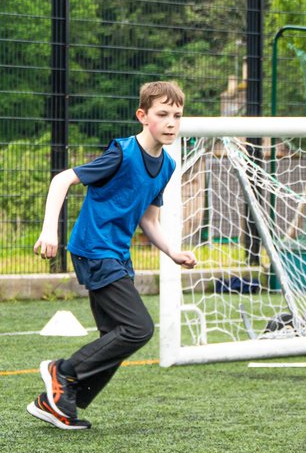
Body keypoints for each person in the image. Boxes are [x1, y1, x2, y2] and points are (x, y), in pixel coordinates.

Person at [26, 81, 197, 430]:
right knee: (138, 328)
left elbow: (150, 219)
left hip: (117, 255)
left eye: (177, 116)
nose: (171, 123)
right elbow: (62, 180)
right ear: (143, 116)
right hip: (94, 249)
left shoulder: (166, 166)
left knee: (115, 336)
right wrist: (49, 230)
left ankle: (58, 404)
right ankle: (63, 373)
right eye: (162, 114)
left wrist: (173, 251)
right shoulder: (122, 153)